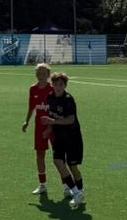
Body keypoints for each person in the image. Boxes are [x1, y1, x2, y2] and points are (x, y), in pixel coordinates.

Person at [41, 72, 85, 208]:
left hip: (72, 137)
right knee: (57, 161)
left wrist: (52, 122)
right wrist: (49, 129)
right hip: (59, 136)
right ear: (52, 85)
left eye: (61, 85)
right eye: (56, 84)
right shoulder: (50, 97)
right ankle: (76, 193)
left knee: (73, 166)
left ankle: (80, 191)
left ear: (65, 86)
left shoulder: (68, 99)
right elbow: (51, 115)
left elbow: (70, 119)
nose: (58, 87)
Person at [22, 63, 54, 195]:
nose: (41, 76)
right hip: (39, 126)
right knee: (40, 154)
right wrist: (27, 121)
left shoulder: (52, 89)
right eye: (39, 73)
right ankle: (42, 184)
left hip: (53, 125)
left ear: (48, 75)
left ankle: (66, 186)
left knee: (58, 156)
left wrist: (51, 125)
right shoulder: (33, 89)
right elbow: (31, 107)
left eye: (44, 73)